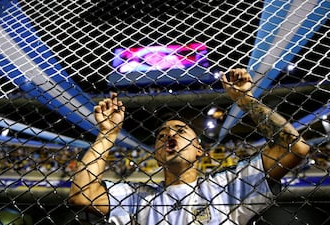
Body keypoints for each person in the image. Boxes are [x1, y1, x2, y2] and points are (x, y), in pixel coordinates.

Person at [68, 68, 310, 225]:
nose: (169, 135)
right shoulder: (137, 197)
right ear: (157, 155)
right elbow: (82, 195)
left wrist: (245, 100)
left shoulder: (226, 187)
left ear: (199, 150)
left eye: (181, 131)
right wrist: (108, 133)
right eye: (161, 135)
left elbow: (294, 147)